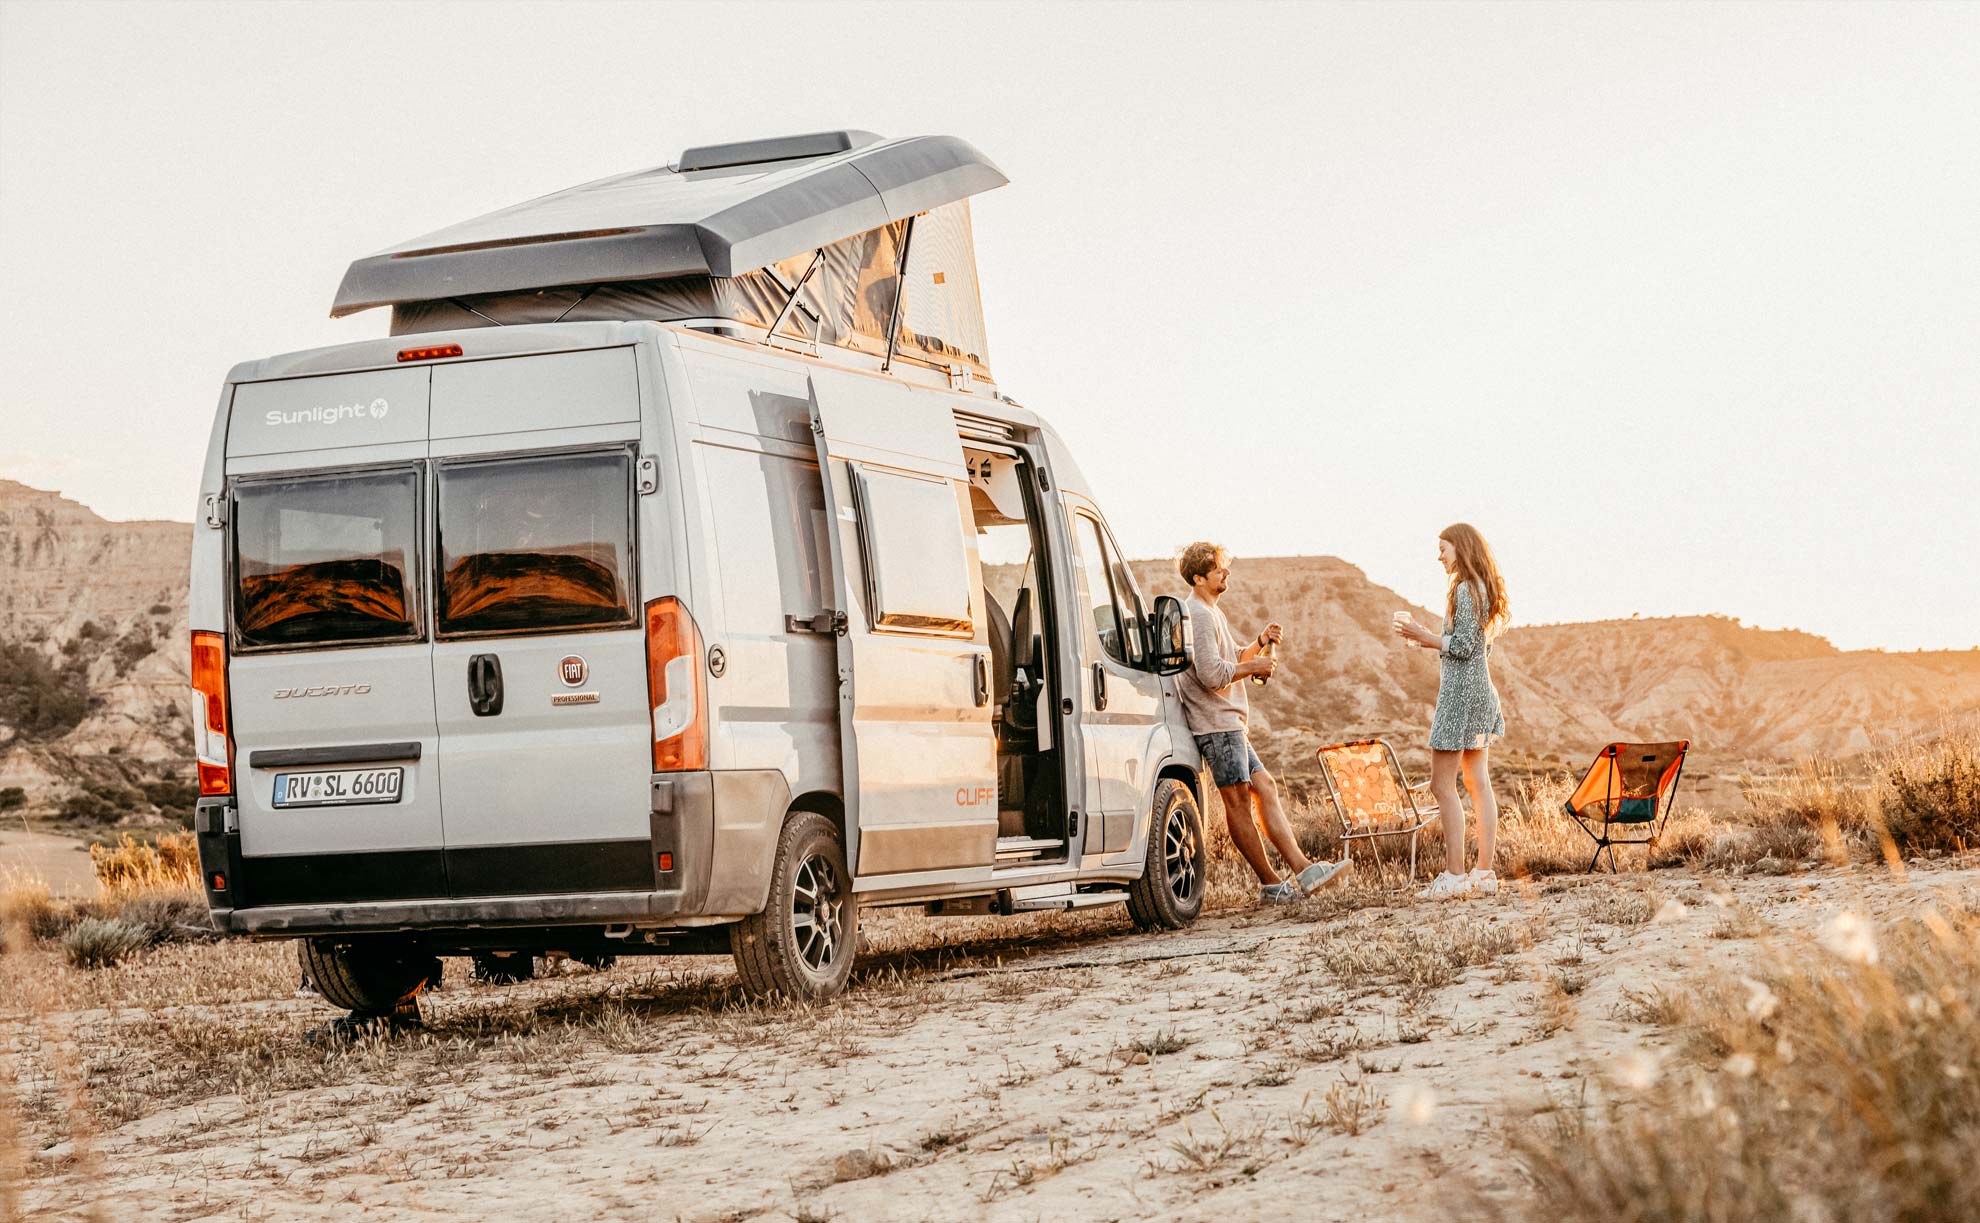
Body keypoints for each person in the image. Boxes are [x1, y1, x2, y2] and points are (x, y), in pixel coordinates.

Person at [1175, 541, 1349, 904]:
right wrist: (1253, 667)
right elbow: (1210, 674)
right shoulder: (1199, 614)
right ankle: (1271, 883)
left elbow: (1231, 656)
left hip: (1230, 724)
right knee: (1237, 802)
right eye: (1218, 569)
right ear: (1198, 577)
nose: (1226, 573)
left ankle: (1304, 869)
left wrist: (1258, 643)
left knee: (1265, 787)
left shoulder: (1211, 611)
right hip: (1216, 724)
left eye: (1225, 566)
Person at [1391, 523, 1509, 899]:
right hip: (1481, 694)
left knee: (1442, 785)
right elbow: (1474, 647)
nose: (1438, 556)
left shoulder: (1463, 588)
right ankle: (1483, 872)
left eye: (1442, 548)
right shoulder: (1482, 588)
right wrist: (1427, 637)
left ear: (1460, 548)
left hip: (1459, 697)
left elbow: (1459, 646)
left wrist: (1421, 635)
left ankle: (1454, 875)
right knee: (1478, 783)